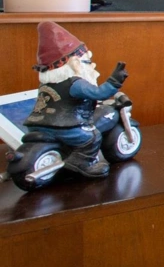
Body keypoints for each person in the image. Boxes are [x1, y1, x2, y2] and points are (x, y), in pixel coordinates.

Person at [22, 22, 128, 178]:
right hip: (65, 127)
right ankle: (82, 163)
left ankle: (67, 152)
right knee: (92, 137)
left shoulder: (46, 83)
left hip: (36, 125)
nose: (93, 65)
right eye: (87, 62)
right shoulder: (76, 84)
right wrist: (114, 81)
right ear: (75, 63)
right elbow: (99, 93)